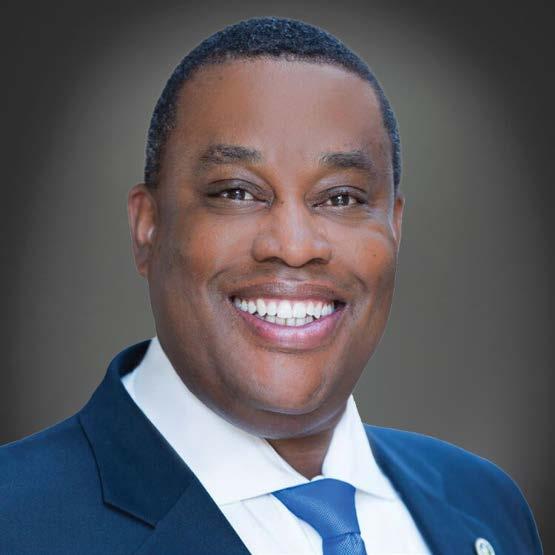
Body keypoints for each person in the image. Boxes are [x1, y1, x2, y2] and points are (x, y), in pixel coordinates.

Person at [0, 16, 542, 555]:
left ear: (394, 228)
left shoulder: (486, 507)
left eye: (341, 198)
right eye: (236, 192)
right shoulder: (16, 521)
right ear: (148, 226)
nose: (294, 245)